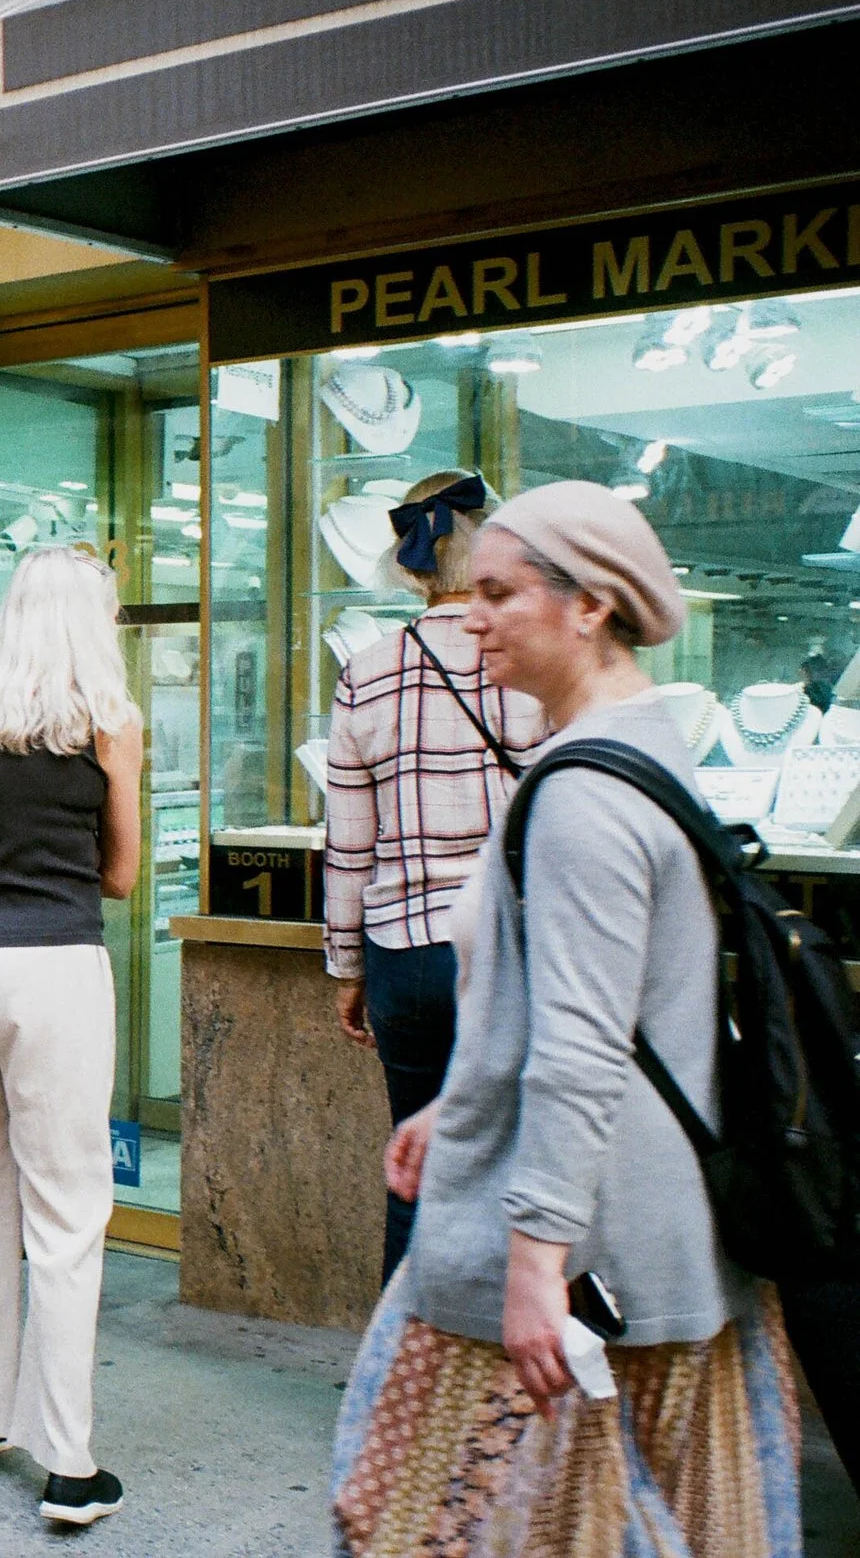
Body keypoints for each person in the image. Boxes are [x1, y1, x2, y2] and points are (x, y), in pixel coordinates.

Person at [334, 484, 799, 1555]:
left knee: (416, 1525)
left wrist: (535, 1264)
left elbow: (586, 1043)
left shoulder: (582, 794)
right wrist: (462, 1101)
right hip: (651, 1240)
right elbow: (582, 1001)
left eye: (499, 592)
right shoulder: (641, 746)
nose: (473, 614)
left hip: (582, 1259)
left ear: (589, 606)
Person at [0, 545, 141, 1527]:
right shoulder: (109, 725)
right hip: (51, 965)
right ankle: (69, 1463)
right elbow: (121, 874)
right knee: (66, 1208)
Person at [323, 471, 545, 1283]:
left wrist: (347, 968)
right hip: (511, 948)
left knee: (416, 1164)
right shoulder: (524, 657)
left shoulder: (367, 671)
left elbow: (349, 842)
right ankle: (504, 1382)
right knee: (524, 1164)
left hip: (405, 955)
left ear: (416, 568)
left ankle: (403, 1375)